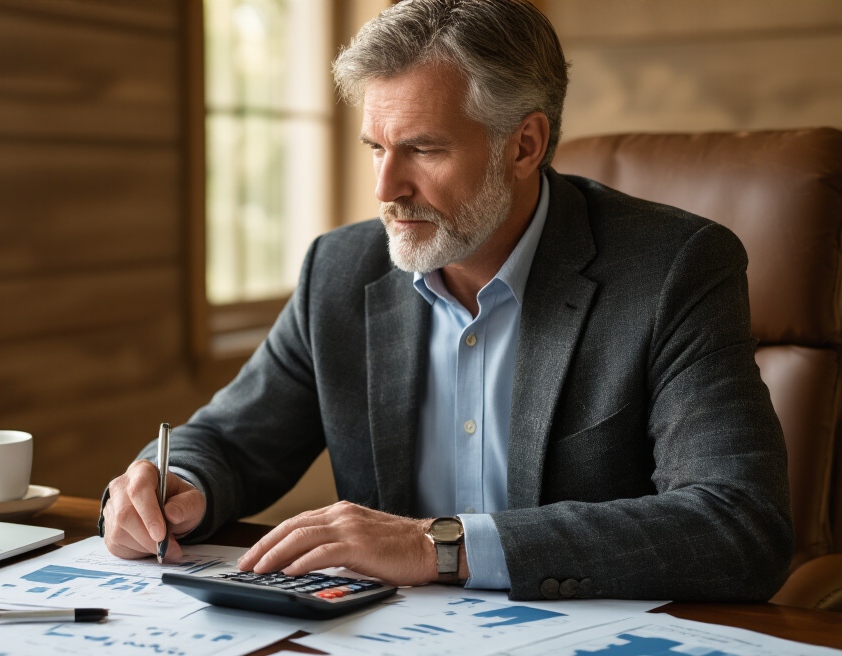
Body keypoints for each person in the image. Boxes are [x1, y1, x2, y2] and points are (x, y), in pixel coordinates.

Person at [100, 0, 792, 601]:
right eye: (376, 148)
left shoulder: (672, 268)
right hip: (392, 653)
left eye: (423, 150)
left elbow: (738, 523)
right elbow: (230, 440)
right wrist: (174, 482)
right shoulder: (339, 270)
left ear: (524, 146)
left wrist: (437, 546)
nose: (385, 188)